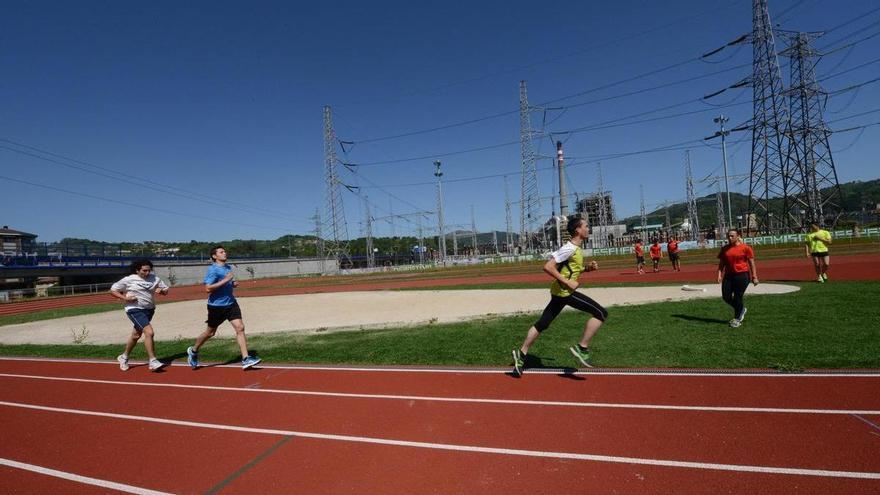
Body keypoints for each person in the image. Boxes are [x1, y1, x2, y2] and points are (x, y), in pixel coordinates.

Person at [512, 216, 608, 376]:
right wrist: (568, 282)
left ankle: (521, 355)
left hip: (559, 293)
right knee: (601, 313)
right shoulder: (569, 248)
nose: (588, 229)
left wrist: (586, 269)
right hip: (565, 293)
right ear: (578, 230)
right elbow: (548, 267)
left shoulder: (575, 248)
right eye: (586, 226)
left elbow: (569, 269)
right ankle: (581, 348)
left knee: (542, 324)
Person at [186, 246, 261, 370]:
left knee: (240, 327)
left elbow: (226, 283)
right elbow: (208, 288)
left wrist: (232, 284)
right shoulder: (213, 270)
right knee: (210, 332)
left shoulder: (227, 267)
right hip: (216, 307)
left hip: (231, 303)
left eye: (225, 251)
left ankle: (246, 358)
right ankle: (193, 351)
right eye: (221, 252)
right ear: (215, 256)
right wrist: (226, 280)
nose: (225, 253)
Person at [110, 259, 169, 371]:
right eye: (144, 270)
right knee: (149, 332)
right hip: (134, 309)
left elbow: (166, 290)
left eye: (149, 270)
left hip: (149, 310)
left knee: (136, 335)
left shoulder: (155, 279)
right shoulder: (129, 279)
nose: (147, 273)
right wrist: (125, 298)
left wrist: (162, 291)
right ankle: (153, 360)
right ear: (137, 270)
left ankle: (124, 357)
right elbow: (113, 290)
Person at [717, 228, 759, 328]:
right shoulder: (725, 249)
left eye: (732, 236)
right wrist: (719, 274)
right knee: (726, 297)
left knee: (737, 297)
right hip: (728, 276)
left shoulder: (746, 248)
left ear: (738, 236)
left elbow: (751, 263)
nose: (730, 238)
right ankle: (741, 309)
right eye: (728, 236)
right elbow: (721, 263)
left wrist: (754, 276)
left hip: (742, 275)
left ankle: (737, 319)